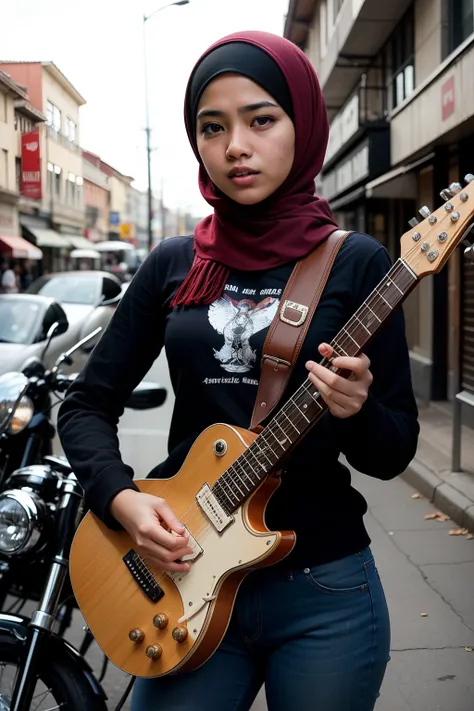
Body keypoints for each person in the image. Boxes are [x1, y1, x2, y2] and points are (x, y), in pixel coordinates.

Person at [58, 31, 419, 711]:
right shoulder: (173, 261)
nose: (234, 147)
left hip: (323, 590)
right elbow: (84, 405)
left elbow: (392, 448)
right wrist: (126, 503)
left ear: (302, 125)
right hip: (179, 579)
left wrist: (357, 408)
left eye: (261, 119)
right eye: (211, 127)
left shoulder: (359, 263)